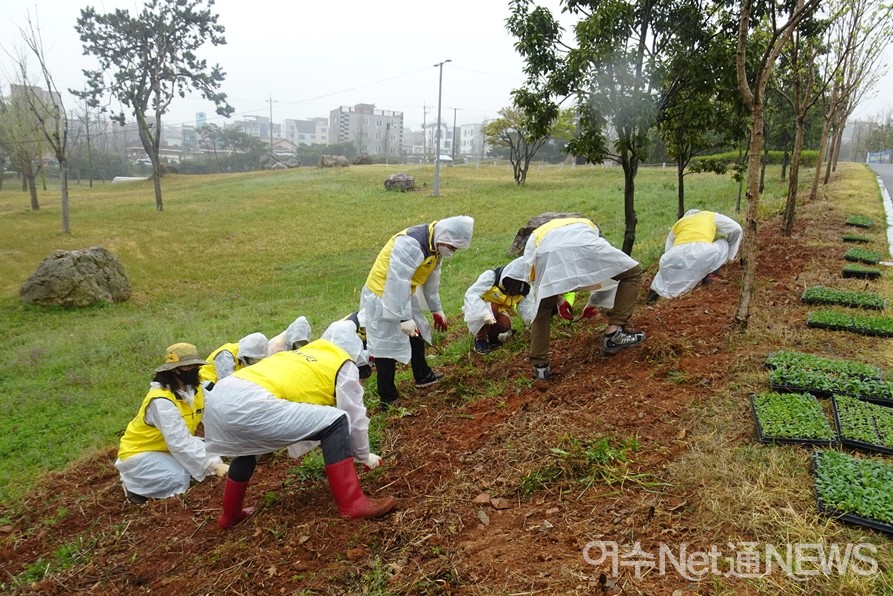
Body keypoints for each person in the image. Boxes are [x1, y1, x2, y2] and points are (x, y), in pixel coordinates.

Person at [203, 321, 394, 529]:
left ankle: (230, 515)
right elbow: (354, 416)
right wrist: (363, 455)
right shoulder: (343, 364)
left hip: (220, 396)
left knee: (247, 447)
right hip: (251, 401)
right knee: (338, 421)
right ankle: (353, 503)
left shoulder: (303, 354)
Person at [359, 216, 475, 406]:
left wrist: (436, 309)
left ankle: (422, 375)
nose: (452, 252)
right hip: (382, 295)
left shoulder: (435, 247)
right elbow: (397, 280)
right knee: (386, 346)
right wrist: (403, 318)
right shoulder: (411, 244)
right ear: (445, 235)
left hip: (403, 293)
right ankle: (388, 398)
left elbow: (431, 281)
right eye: (452, 247)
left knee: (418, 330)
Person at [521, 217, 645, 381]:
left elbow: (534, 275)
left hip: (547, 252)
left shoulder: (537, 233)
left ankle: (540, 367)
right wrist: (592, 301)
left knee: (542, 306)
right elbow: (605, 271)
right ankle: (615, 333)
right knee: (632, 272)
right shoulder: (588, 224)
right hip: (586, 244)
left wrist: (556, 299)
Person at [115, 343, 228, 505]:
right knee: (178, 477)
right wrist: (212, 465)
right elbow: (178, 441)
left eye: (196, 365)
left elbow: (216, 414)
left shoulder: (195, 391)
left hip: (166, 449)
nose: (194, 370)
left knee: (208, 458)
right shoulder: (161, 401)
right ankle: (134, 486)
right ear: (174, 369)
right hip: (141, 454)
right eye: (189, 366)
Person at [647, 209, 743, 303]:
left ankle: (653, 294)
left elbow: (669, 249)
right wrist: (730, 255)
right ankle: (710, 275)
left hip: (673, 254)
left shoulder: (679, 223)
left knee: (664, 269)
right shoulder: (710, 215)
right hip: (704, 251)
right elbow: (736, 229)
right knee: (723, 243)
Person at [462, 257, 531, 354]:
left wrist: (533, 325)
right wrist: (484, 314)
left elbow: (528, 309)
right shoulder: (491, 277)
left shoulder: (523, 289)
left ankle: (492, 337)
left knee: (505, 324)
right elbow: (471, 295)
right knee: (494, 306)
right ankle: (480, 339)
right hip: (476, 313)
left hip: (496, 314)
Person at [199, 331, 268, 390]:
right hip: (207, 383)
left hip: (225, 384)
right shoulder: (226, 355)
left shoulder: (248, 351)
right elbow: (226, 382)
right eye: (251, 359)